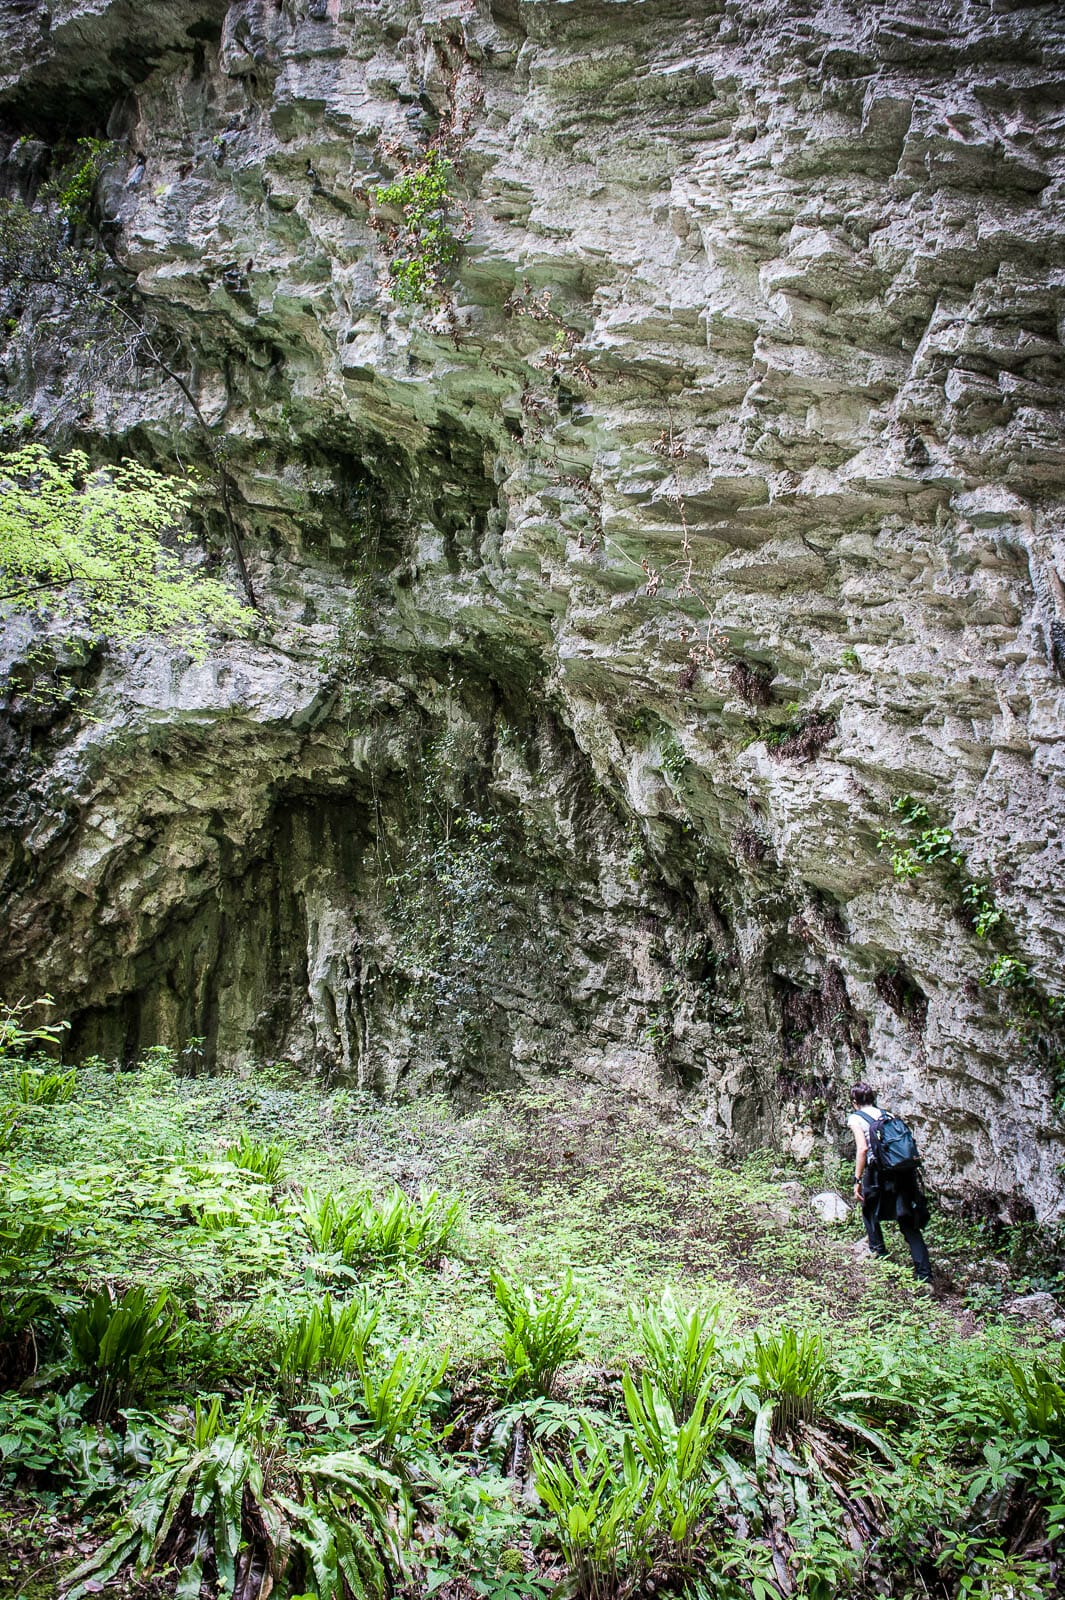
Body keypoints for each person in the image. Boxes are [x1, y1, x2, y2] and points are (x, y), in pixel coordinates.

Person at [847, 1082, 933, 1284]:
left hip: (878, 1174)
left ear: (854, 1102)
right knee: (908, 1222)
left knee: (869, 1211)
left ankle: (879, 1255)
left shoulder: (856, 1118)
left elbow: (862, 1150)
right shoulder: (888, 1115)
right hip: (902, 1174)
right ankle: (924, 1274)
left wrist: (857, 1179)